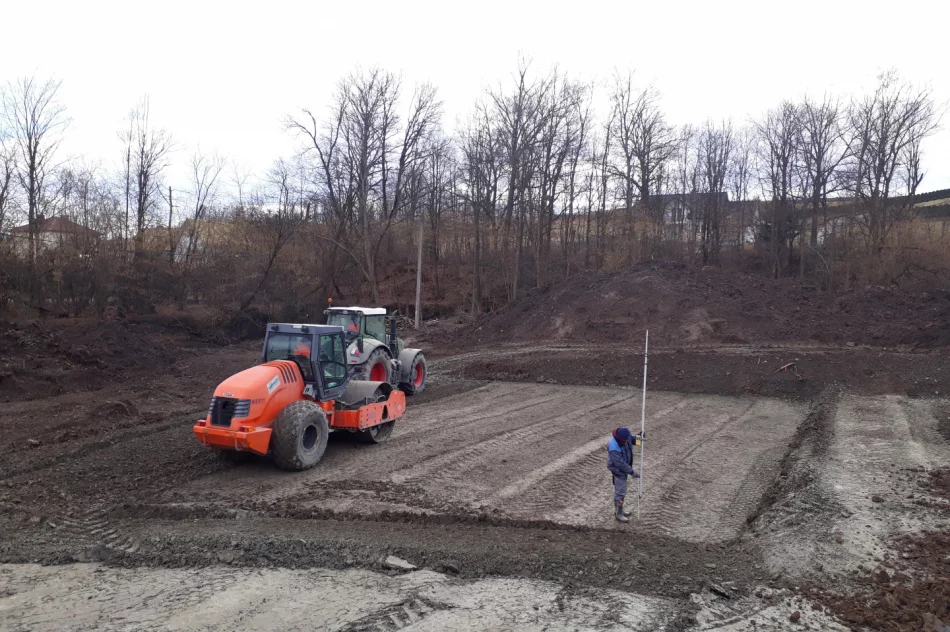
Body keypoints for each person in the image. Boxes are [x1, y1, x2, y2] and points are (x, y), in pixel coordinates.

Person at [607, 426, 640, 523]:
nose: (626, 441)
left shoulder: (625, 437)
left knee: (621, 490)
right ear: (620, 439)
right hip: (618, 470)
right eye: (625, 440)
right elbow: (619, 464)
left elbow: (632, 440)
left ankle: (619, 510)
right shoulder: (613, 446)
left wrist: (640, 438)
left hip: (623, 467)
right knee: (621, 491)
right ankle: (619, 514)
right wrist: (632, 472)